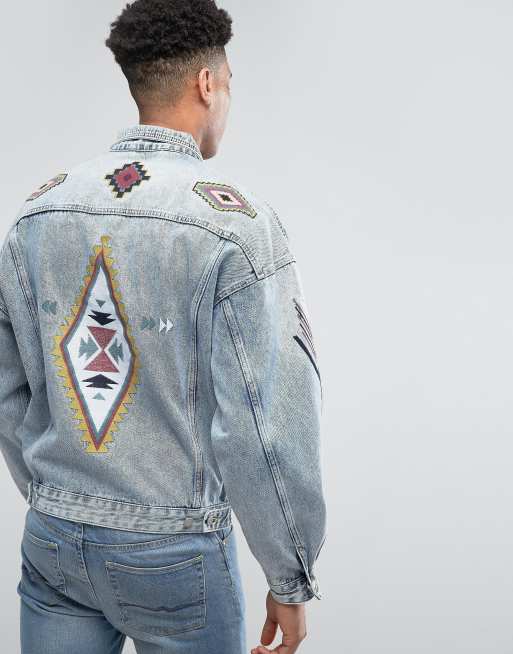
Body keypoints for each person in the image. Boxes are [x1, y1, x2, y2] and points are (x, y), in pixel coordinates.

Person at [0, 1, 327, 652]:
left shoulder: (39, 210)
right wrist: (289, 577)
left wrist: (55, 494)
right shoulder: (236, 225)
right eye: (229, 83)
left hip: (54, 542)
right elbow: (263, 426)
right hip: (174, 553)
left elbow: (8, 389)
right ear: (207, 84)